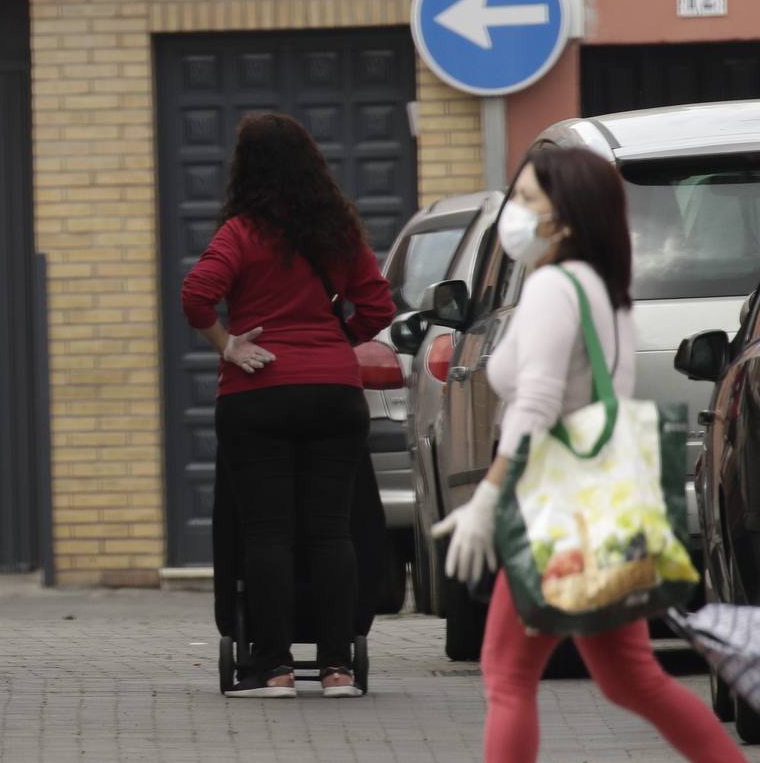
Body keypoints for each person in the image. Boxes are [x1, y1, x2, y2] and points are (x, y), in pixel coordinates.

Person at [432, 143, 743, 761]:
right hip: (604, 504)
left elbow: (537, 402)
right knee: (633, 680)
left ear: (565, 216)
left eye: (525, 200)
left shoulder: (553, 286)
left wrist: (490, 494)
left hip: (557, 508)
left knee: (507, 675)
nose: (511, 215)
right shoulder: (604, 288)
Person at [182, 112, 394, 699]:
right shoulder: (340, 233)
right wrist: (330, 347)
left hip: (258, 398)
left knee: (268, 534)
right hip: (333, 396)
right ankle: (337, 669)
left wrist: (229, 345)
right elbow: (378, 311)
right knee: (331, 532)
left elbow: (197, 295)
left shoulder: (240, 233)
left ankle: (272, 668)